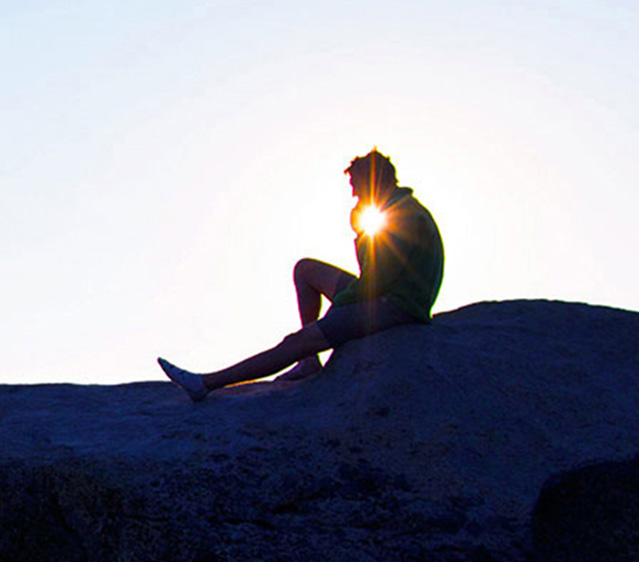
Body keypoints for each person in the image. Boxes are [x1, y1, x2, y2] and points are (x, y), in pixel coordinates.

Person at [158, 149, 444, 402]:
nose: (355, 194)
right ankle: (310, 362)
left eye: (357, 187)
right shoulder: (395, 209)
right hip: (383, 292)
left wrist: (339, 308)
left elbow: (377, 281)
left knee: (296, 341)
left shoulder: (402, 216)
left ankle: (205, 384)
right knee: (306, 269)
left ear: (374, 182)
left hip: (396, 305)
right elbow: (372, 273)